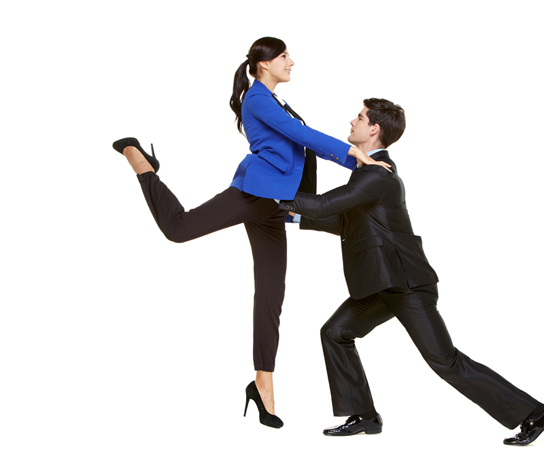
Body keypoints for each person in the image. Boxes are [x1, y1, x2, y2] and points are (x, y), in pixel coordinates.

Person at [110, 37, 389, 429]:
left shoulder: (275, 101)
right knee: (178, 228)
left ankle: (263, 384)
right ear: (264, 64)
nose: (292, 62)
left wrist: (357, 167)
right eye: (284, 56)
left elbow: (298, 143)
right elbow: (302, 136)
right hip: (256, 192)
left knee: (271, 295)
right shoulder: (257, 99)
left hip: (276, 203)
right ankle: (142, 164)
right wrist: (354, 157)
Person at [279, 98, 544, 445]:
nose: (352, 121)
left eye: (360, 117)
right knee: (335, 332)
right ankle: (364, 416)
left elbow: (324, 204)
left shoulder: (377, 174)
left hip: (407, 285)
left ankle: (536, 413)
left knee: (445, 361)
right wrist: (295, 216)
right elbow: (348, 223)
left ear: (374, 129)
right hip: (383, 285)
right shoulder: (368, 173)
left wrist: (274, 195)